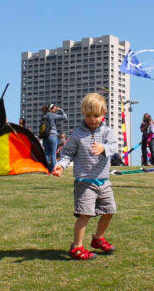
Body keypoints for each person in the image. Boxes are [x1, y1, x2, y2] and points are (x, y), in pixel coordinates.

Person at [52, 93, 118, 260]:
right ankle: (77, 247)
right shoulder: (77, 134)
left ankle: (98, 238)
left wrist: (104, 148)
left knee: (109, 211)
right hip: (85, 182)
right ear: (83, 113)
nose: (92, 119)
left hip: (103, 181)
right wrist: (60, 166)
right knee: (85, 214)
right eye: (88, 115)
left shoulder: (107, 132)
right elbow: (67, 153)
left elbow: (114, 147)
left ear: (104, 113)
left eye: (96, 115)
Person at [40, 104, 67, 169]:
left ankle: (46, 169)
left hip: (45, 136)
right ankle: (53, 169)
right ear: (50, 109)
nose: (55, 110)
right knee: (53, 153)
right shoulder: (52, 115)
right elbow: (65, 117)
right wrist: (61, 110)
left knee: (46, 153)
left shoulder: (44, 116)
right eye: (54, 109)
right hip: (52, 135)